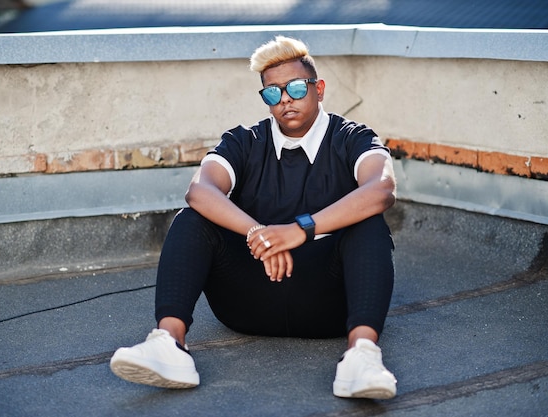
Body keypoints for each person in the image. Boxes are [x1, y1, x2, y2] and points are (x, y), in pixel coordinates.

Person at [110, 35, 398, 399]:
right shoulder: (245, 141)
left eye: (295, 87)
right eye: (273, 93)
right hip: (249, 300)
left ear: (319, 88)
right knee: (193, 218)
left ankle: (362, 356)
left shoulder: (351, 137)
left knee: (369, 222)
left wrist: (299, 230)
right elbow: (200, 190)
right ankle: (168, 343)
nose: (286, 100)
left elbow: (382, 188)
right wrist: (259, 234)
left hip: (329, 303)